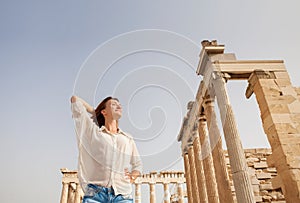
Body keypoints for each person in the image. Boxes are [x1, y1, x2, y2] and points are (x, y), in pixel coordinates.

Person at [70, 95, 142, 203]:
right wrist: (95, 112)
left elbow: (138, 164)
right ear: (104, 112)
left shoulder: (127, 138)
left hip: (122, 195)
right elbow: (75, 100)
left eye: (119, 105)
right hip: (95, 194)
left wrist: (132, 176)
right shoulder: (94, 133)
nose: (119, 106)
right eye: (113, 104)